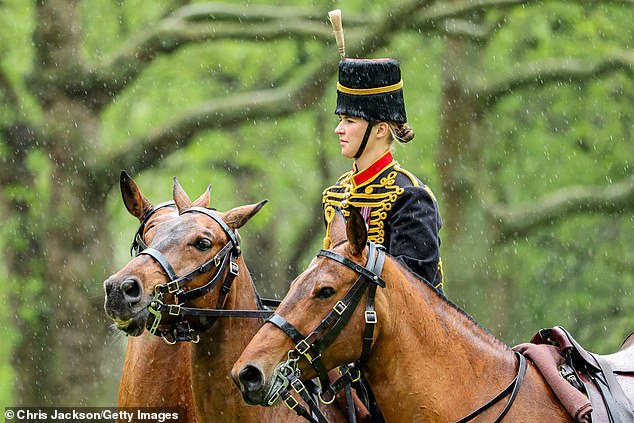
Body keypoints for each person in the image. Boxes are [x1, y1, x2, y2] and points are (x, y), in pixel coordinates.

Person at [322, 57, 444, 293]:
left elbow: (411, 293)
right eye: (340, 120)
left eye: (349, 120)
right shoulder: (337, 193)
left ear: (380, 129)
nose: (339, 129)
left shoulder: (410, 196)